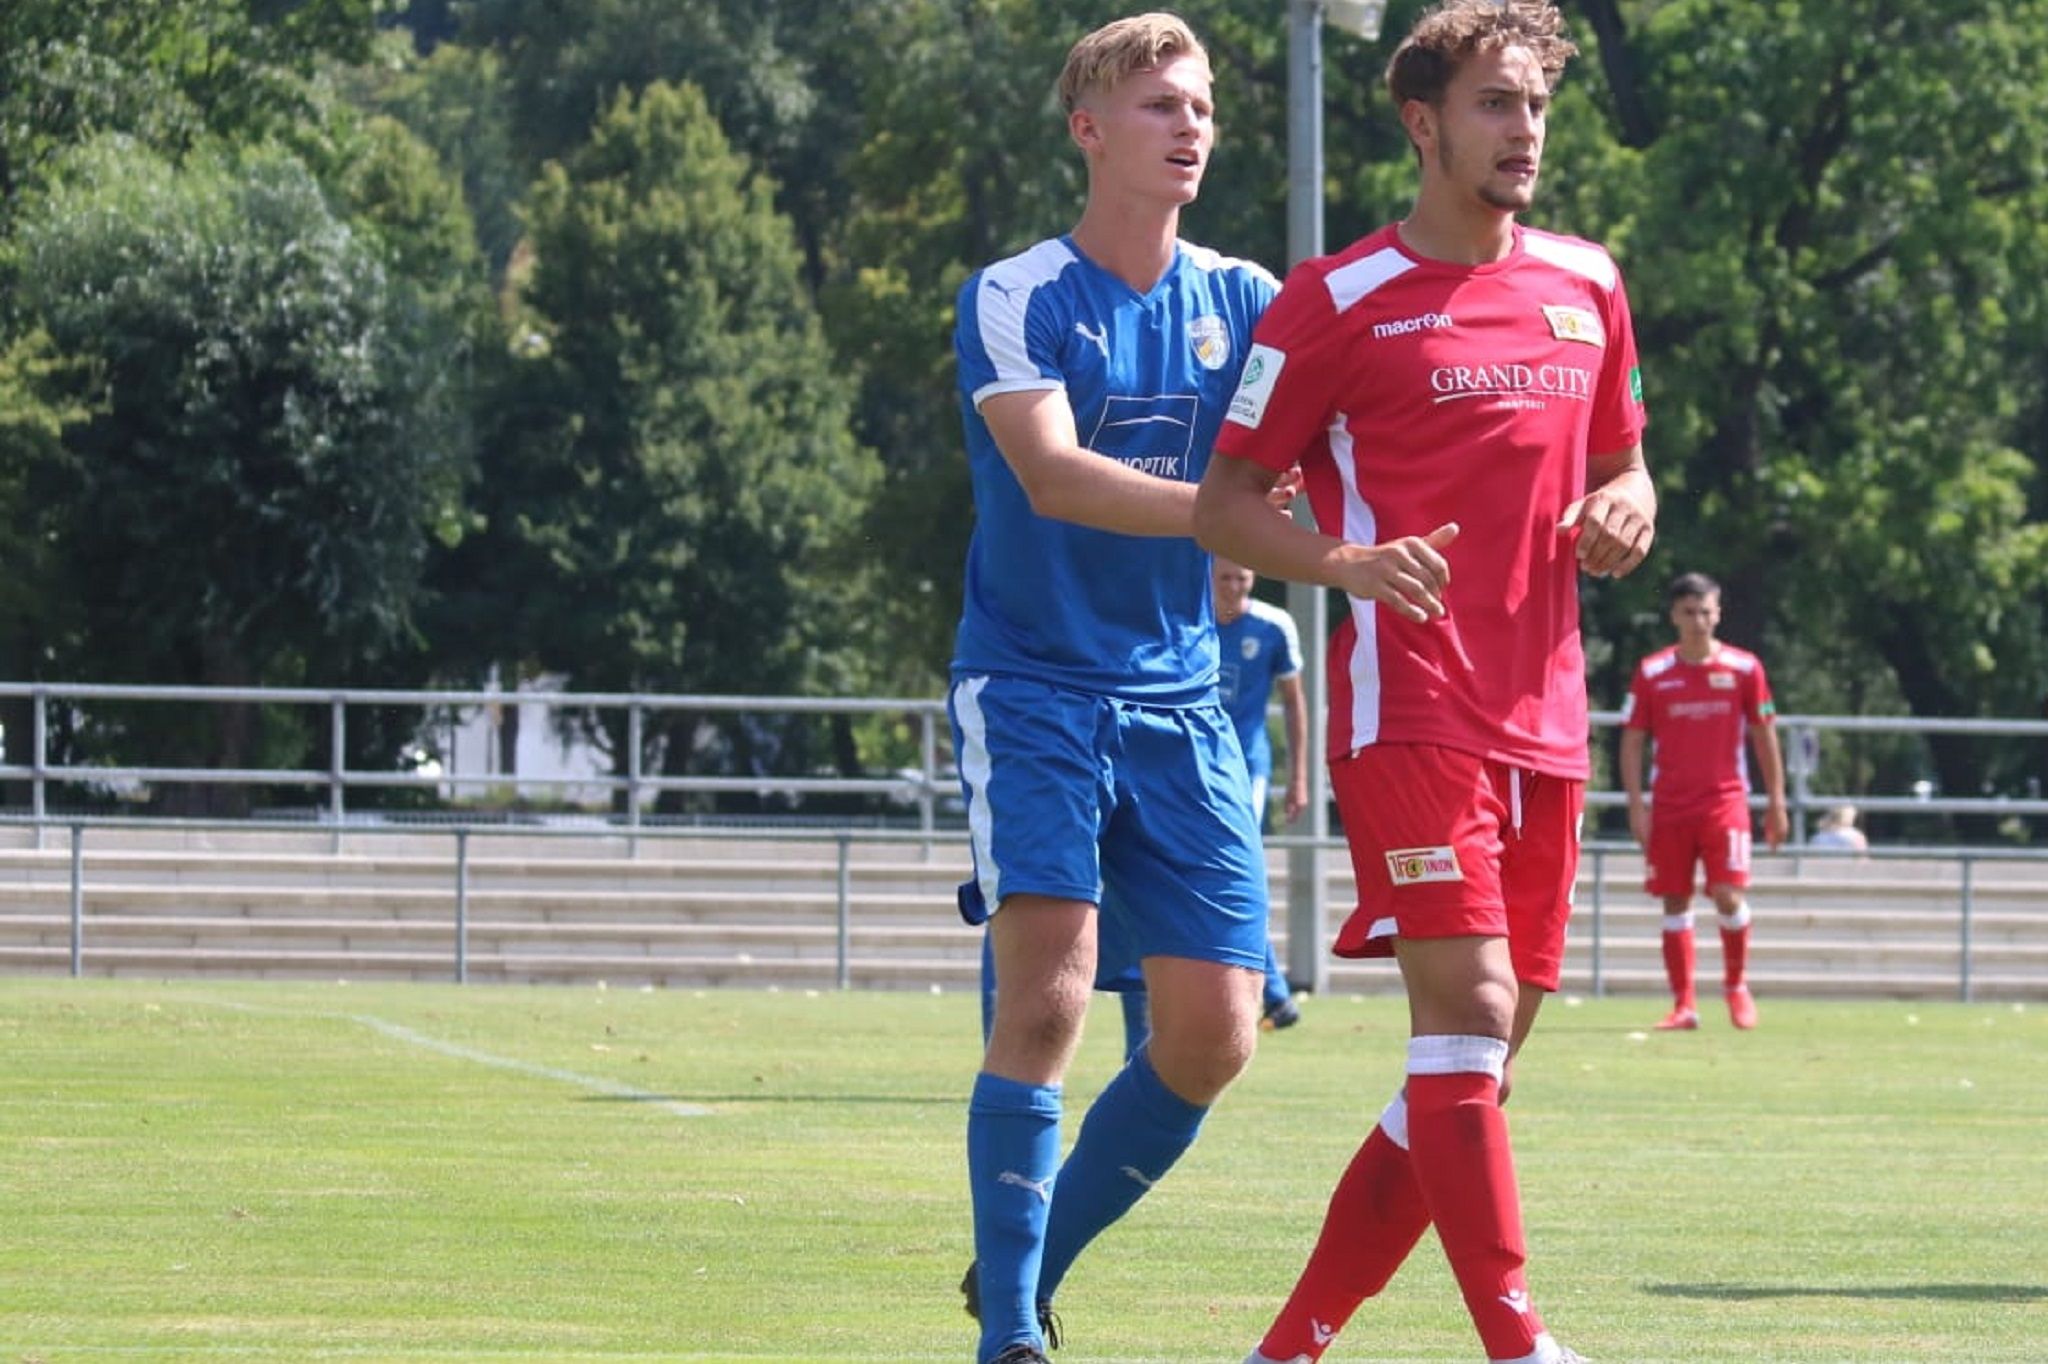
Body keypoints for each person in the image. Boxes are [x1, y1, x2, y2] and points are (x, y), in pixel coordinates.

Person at [1192, 4, 1654, 1362]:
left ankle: (1288, 1347)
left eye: (1536, 106)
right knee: (1472, 1017)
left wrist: (1629, 504)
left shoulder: (1590, 283)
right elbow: (1224, 507)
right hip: (1409, 709)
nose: (1525, 132)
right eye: (1497, 105)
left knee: (1476, 1065)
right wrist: (1343, 561)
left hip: (1551, 716)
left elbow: (1625, 460)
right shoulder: (1330, 302)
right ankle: (1521, 1345)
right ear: (1423, 122)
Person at [947, 14, 1282, 1364]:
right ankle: (1013, 1336)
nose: (1189, 126)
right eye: (1157, 106)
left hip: (1184, 703)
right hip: (1031, 685)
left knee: (1214, 1037)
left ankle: (1016, 1269)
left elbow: (1300, 457)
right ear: (1088, 129)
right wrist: (1231, 518)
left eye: (1199, 106)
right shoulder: (1018, 291)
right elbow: (1055, 475)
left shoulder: (1251, 299)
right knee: (1049, 999)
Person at [1618, 571, 1788, 1031]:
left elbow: (1764, 733)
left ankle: (1736, 985)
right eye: (1689, 612)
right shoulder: (1653, 672)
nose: (1698, 621)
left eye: (1706, 612)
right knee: (1675, 900)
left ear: (1719, 614)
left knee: (1728, 895)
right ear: (1674, 615)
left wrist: (1777, 800)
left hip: (1725, 801)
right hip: (1670, 805)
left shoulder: (1744, 668)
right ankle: (1685, 1005)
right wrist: (1637, 806)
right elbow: (1632, 741)